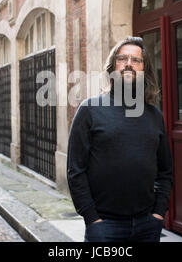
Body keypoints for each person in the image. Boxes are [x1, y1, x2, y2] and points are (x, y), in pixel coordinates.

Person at [67, 36, 173, 242]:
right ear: (113, 66)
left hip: (147, 226)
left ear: (144, 69)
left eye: (136, 60)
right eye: (122, 58)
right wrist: (91, 218)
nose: (128, 64)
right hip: (105, 226)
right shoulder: (90, 109)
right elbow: (75, 170)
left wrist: (159, 213)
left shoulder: (154, 115)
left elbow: (165, 171)